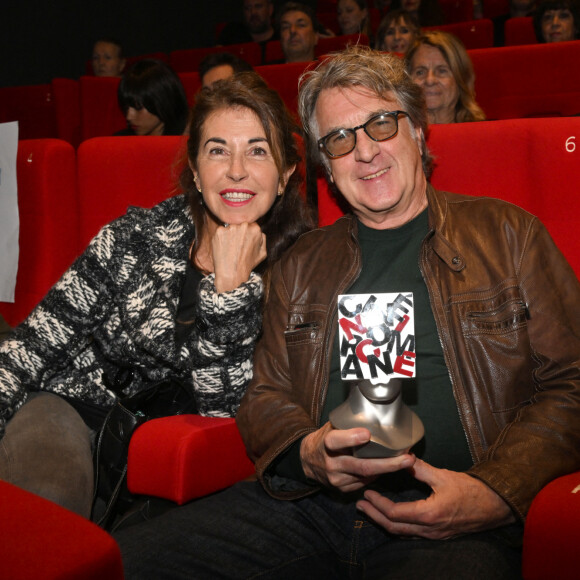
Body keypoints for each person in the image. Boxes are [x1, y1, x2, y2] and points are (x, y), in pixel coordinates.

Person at [114, 45, 580, 579]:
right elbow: (264, 394)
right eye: (339, 138)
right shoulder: (304, 262)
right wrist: (308, 452)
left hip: (453, 519)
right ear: (326, 167)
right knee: (123, 563)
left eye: (381, 124)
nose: (364, 151)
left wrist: (498, 490)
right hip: (310, 511)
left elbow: (573, 381)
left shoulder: (508, 235)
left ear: (419, 132)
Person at [0, 71, 313, 520]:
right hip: (74, 405)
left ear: (284, 175)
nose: (236, 169)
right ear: (194, 166)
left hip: (167, 460)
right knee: (52, 494)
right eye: (217, 150)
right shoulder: (132, 239)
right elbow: (33, 346)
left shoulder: (304, 274)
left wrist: (230, 291)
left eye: (258, 151)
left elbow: (226, 420)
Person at [406, 31, 486, 124]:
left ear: (461, 80)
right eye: (420, 72)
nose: (430, 80)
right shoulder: (393, 135)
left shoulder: (486, 134)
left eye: (442, 71)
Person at [116, 59, 189, 136]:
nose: (129, 117)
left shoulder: (187, 141)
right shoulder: (118, 141)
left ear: (162, 101)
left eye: (138, 107)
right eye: (126, 107)